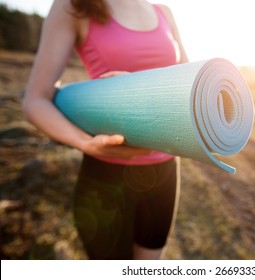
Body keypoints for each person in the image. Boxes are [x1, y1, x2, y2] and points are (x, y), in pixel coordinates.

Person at [23, 0, 188, 260]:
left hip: (165, 171)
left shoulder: (163, 12)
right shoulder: (74, 6)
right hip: (106, 175)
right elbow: (35, 100)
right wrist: (83, 142)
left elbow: (186, 85)